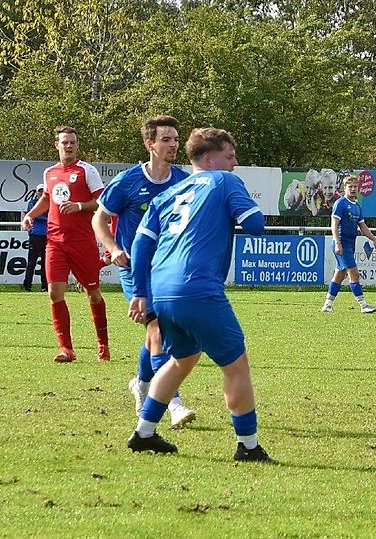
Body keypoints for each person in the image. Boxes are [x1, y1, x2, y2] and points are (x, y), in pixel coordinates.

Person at [125, 127, 274, 462]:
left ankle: (144, 433)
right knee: (236, 367)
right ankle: (248, 446)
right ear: (210, 159)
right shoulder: (224, 182)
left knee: (181, 360)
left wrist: (139, 292)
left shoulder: (168, 194)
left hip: (162, 290)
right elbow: (254, 224)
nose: (235, 164)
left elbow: (140, 243)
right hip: (198, 288)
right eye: (230, 156)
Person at [93, 115, 196, 427]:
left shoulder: (183, 181)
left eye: (176, 139)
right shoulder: (127, 181)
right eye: (166, 139)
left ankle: (141, 381)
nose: (173, 145)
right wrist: (113, 249)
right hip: (134, 271)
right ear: (150, 144)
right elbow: (99, 219)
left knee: (161, 333)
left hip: (167, 269)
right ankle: (173, 403)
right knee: (157, 331)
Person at [20, 126, 109, 363]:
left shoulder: (86, 171)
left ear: (77, 145)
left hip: (82, 242)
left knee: (93, 294)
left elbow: (101, 200)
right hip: (55, 242)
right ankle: (66, 349)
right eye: (64, 142)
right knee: (54, 292)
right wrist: (30, 215)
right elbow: (48, 199)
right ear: (56, 145)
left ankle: (103, 344)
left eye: (72, 142)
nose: (68, 146)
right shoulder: (49, 172)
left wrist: (79, 206)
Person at [321, 175, 376, 314]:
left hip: (350, 245)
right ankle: (363, 305)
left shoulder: (357, 207)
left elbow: (363, 226)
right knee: (354, 273)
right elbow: (334, 224)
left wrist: (374, 239)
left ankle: (327, 305)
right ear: (345, 188)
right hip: (342, 244)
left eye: (355, 187)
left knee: (340, 275)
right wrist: (337, 243)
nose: (353, 189)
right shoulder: (341, 203)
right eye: (350, 187)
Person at [22, 184, 49, 292]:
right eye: (40, 191)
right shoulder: (32, 203)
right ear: (37, 192)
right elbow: (34, 215)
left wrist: (38, 215)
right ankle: (27, 285)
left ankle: (45, 286)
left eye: (43, 190)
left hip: (47, 236)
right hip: (35, 235)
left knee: (45, 262)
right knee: (31, 262)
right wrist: (42, 215)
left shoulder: (49, 203)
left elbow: (38, 215)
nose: (41, 192)